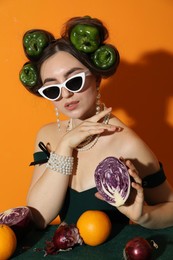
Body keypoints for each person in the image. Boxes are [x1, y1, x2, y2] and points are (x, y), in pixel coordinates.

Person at [19, 15, 173, 231]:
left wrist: (144, 215)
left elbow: (170, 206)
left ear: (97, 77)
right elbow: (38, 216)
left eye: (74, 80)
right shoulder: (48, 136)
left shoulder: (125, 143)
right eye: (52, 89)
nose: (66, 94)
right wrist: (65, 146)